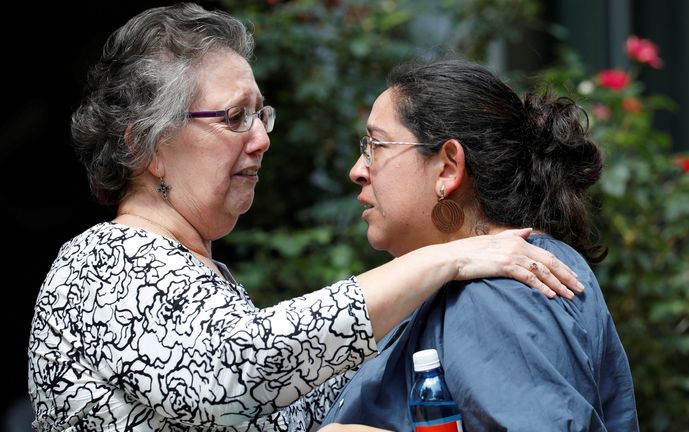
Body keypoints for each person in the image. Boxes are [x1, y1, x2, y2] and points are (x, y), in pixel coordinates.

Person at [26, 5, 584, 432]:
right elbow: (238, 375)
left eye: (261, 114)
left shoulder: (197, 280)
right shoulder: (102, 263)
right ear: (150, 146)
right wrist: (449, 254)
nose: (263, 138)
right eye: (234, 117)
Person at [314, 60, 640, 431]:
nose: (358, 169)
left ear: (449, 167)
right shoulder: (470, 284)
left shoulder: (499, 291)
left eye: (376, 145)